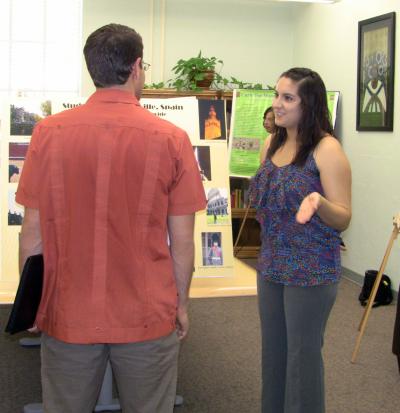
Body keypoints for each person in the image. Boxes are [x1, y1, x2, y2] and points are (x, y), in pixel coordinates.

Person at [16, 23, 206, 413]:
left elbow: (32, 233)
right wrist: (181, 305)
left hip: (68, 309)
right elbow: (182, 242)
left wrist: (32, 301)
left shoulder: (47, 133)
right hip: (147, 313)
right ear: (137, 67)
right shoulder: (172, 138)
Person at [250, 67, 351, 413]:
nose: (277, 104)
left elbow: (344, 215)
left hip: (311, 270)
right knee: (274, 354)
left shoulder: (326, 149)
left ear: (308, 104)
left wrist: (319, 203)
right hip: (271, 266)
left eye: (287, 98)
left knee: (302, 359)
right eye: (276, 95)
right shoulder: (271, 144)